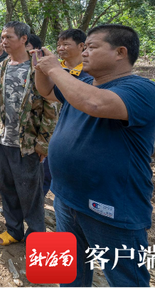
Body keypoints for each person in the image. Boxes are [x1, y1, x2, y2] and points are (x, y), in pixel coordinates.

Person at [35, 24, 155, 287]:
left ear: (120, 52)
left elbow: (94, 103)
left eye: (91, 47)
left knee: (127, 280)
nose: (84, 53)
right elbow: (46, 92)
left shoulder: (143, 89)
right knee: (66, 274)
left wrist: (56, 70)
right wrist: (41, 69)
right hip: (65, 198)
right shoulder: (79, 82)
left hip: (111, 209)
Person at [0, 21, 57, 245]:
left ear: (24, 39)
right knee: (7, 186)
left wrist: (43, 143)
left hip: (28, 142)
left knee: (31, 193)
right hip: (3, 139)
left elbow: (51, 107)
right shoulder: (1, 67)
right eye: (2, 37)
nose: (3, 42)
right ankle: (13, 230)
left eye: (9, 37)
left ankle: (36, 235)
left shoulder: (39, 68)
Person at [40, 28, 91, 196]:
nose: (60, 48)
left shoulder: (89, 73)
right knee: (45, 170)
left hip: (78, 131)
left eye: (66, 44)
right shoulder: (55, 67)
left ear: (82, 46)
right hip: (54, 129)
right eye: (58, 45)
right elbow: (46, 92)